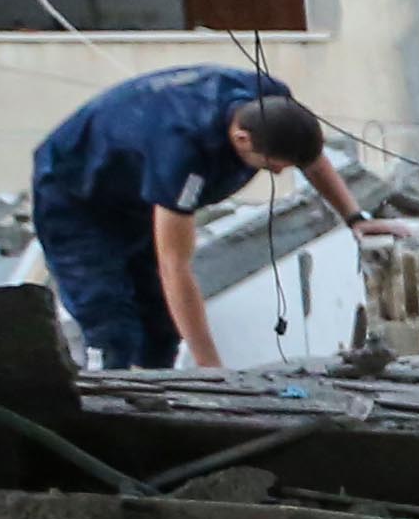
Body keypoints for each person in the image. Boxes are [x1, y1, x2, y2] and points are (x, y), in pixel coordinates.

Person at [26, 67, 359, 373]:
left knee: (162, 327)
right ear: (242, 139)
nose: (275, 173)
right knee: (112, 327)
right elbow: (175, 267)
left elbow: (312, 160)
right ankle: (108, 412)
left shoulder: (270, 99)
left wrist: (355, 219)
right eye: (270, 166)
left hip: (135, 192)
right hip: (75, 197)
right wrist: (210, 367)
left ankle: (158, 405)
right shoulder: (183, 151)